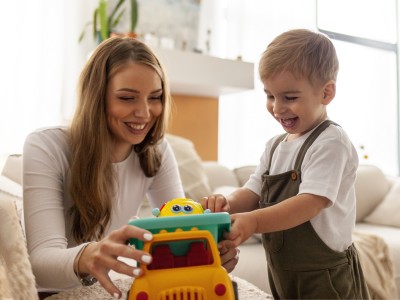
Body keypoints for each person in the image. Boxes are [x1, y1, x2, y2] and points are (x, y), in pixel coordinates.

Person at [23, 37, 238, 299]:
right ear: (96, 97)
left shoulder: (156, 151)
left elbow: (177, 232)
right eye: (127, 98)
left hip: (105, 291)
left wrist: (211, 251)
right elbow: (40, 266)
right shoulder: (47, 146)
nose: (145, 113)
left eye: (155, 98)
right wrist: (90, 255)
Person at [201, 29, 370, 299]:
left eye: (290, 98)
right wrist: (227, 205)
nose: (277, 108)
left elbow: (311, 202)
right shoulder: (275, 146)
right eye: (270, 96)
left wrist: (253, 222)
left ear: (326, 93)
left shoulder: (331, 141)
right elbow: (253, 192)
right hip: (283, 271)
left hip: (325, 275)